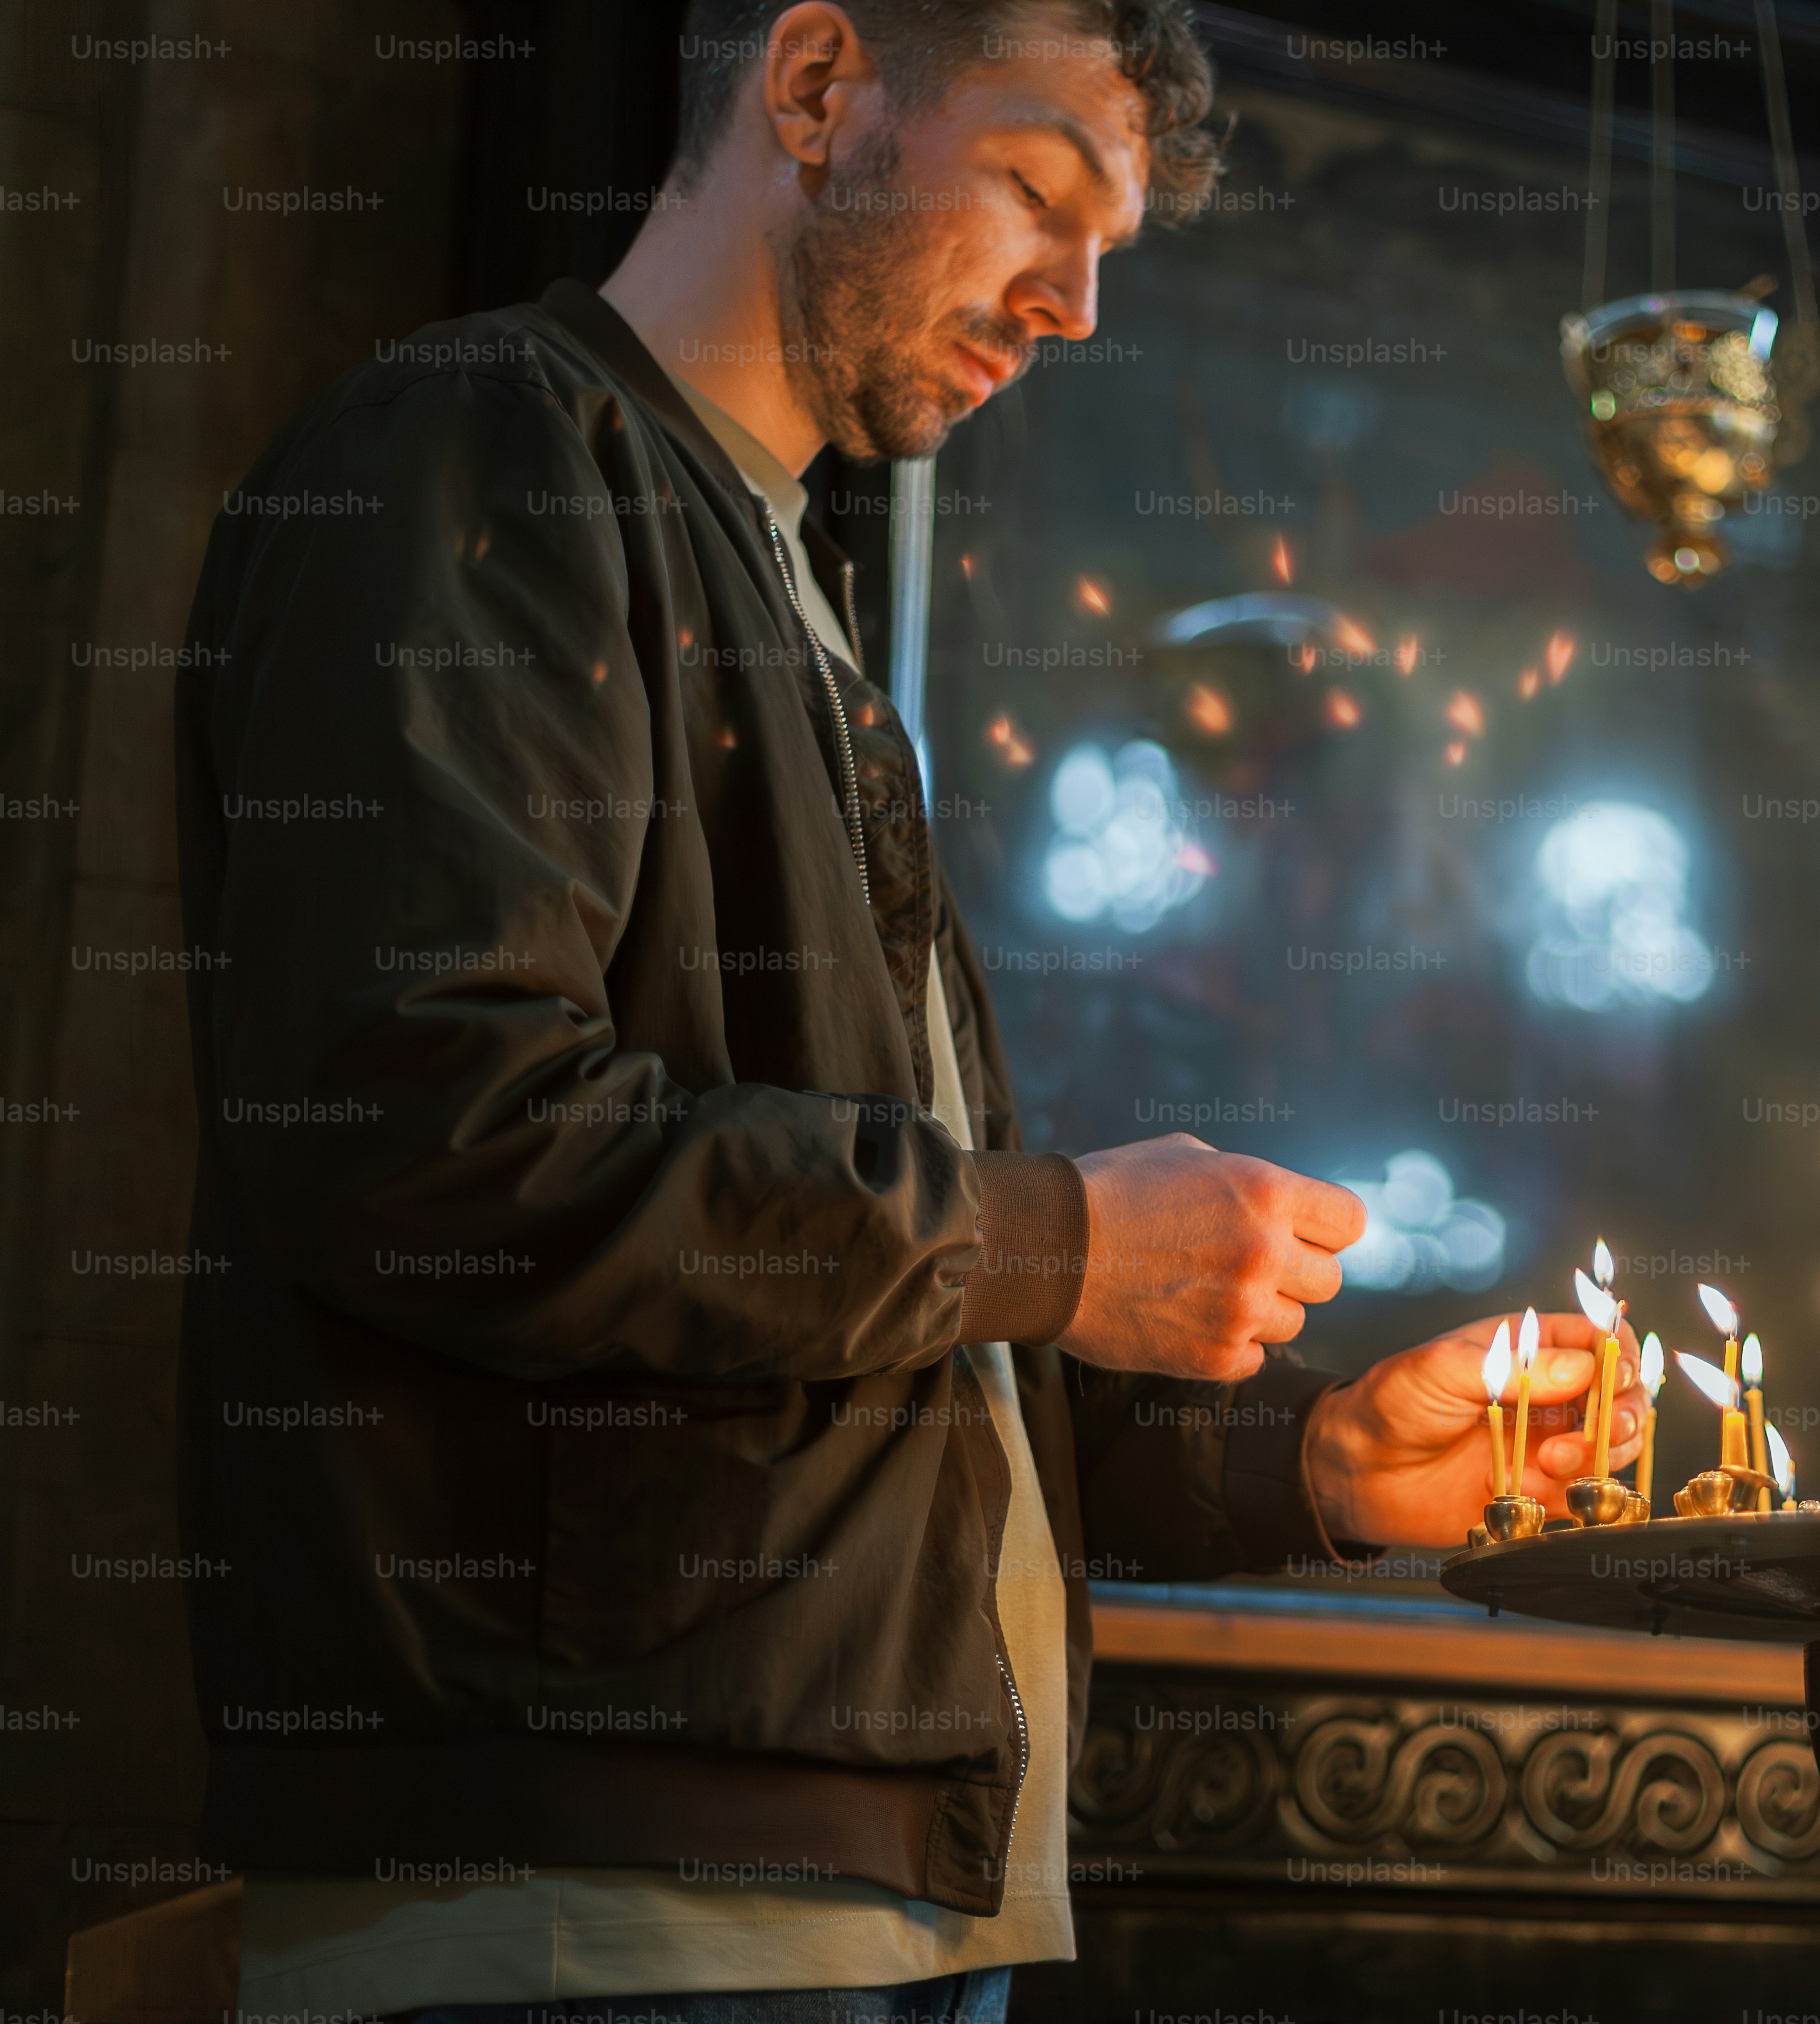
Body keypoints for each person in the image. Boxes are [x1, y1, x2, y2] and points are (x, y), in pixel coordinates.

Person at [170, 3, 1637, 2017]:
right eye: (1037, 192)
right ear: (813, 86)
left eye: (1110, 243)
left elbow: (851, 1348)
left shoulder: (798, 595)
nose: (1079, 305)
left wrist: (1300, 1464)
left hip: (879, 1893)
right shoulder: (487, 451)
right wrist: (1057, 1238)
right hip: (608, 1907)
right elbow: (435, 1141)